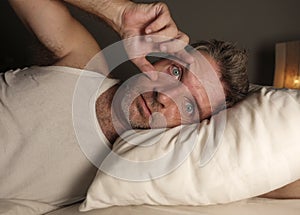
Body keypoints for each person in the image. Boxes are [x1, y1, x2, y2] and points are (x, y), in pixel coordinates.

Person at [2, 0, 293, 209]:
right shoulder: (84, 62)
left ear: (193, 128)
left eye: (189, 106)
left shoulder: (133, 173)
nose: (165, 96)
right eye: (176, 72)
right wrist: (119, 13)